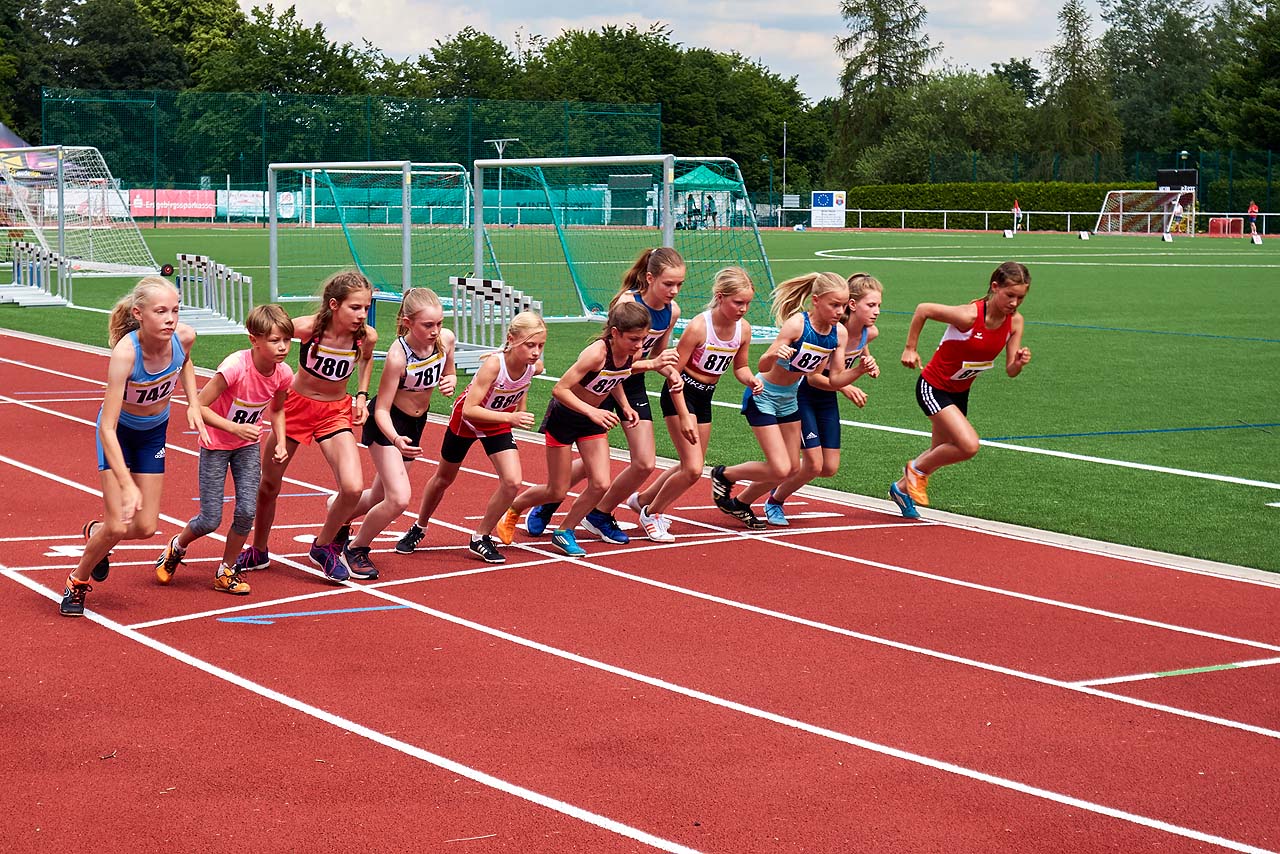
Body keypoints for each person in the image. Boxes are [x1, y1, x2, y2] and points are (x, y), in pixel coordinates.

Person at [61, 277, 208, 617]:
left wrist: (192, 402)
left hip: (153, 433)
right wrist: (126, 484)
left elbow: (184, 361)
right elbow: (107, 427)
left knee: (145, 528)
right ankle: (77, 582)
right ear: (139, 314)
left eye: (175, 310)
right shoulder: (126, 354)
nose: (170, 319)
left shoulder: (184, 337)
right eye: (161, 312)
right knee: (117, 525)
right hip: (119, 433)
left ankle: (95, 531)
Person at [525, 248, 682, 545]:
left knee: (645, 463)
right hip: (603, 380)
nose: (673, 291)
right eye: (668, 284)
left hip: (631, 384)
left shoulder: (671, 312)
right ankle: (551, 499)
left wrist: (670, 372)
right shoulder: (626, 303)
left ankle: (599, 513)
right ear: (649, 279)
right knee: (590, 462)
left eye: (679, 285)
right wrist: (649, 363)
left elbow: (658, 354)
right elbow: (612, 355)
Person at [239, 270, 377, 582]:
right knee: (268, 485)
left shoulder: (365, 337)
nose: (362, 315)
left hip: (334, 413)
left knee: (353, 487)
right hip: (296, 408)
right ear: (334, 305)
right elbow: (266, 338)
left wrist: (361, 394)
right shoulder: (306, 328)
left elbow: (367, 360)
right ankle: (258, 550)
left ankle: (323, 546)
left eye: (366, 307)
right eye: (355, 307)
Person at [154, 304, 294, 595]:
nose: (282, 347)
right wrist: (234, 428)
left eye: (286, 340)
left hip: (247, 447)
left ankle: (226, 570)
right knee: (210, 519)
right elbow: (199, 406)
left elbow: (278, 411)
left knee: (246, 512)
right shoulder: (235, 367)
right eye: (274, 340)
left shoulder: (283, 374)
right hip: (216, 446)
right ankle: (177, 547)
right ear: (254, 340)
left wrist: (280, 441)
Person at [711, 272, 862, 529]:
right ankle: (724, 474)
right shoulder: (797, 325)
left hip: (790, 399)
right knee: (780, 467)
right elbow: (762, 364)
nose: (839, 311)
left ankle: (741, 503)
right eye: (833, 305)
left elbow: (833, 380)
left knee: (792, 468)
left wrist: (860, 370)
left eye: (843, 305)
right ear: (816, 301)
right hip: (764, 394)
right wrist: (775, 353)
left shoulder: (839, 334)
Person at [396, 311, 547, 562]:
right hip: (468, 421)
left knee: (512, 481)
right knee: (444, 478)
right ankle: (419, 526)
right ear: (511, 339)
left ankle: (480, 537)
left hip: (496, 423)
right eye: (529, 345)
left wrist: (519, 408)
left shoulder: (534, 366)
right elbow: (470, 409)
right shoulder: (494, 365)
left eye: (540, 346)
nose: (535, 352)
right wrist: (512, 418)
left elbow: (524, 383)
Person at [625, 267, 760, 542]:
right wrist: (684, 414)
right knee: (693, 469)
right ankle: (652, 513)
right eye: (738, 303)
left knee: (689, 463)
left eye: (747, 303)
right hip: (680, 392)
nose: (743, 309)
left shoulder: (743, 329)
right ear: (720, 297)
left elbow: (741, 367)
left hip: (705, 396)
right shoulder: (699, 327)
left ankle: (642, 500)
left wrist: (752, 381)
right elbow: (675, 373)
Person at [505, 300, 651, 556]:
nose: (639, 345)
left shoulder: (631, 353)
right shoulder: (596, 353)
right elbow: (559, 389)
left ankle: (564, 531)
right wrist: (592, 410)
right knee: (556, 489)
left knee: (601, 483)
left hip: (591, 422)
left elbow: (615, 376)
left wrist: (625, 406)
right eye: (634, 339)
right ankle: (516, 506)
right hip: (564, 418)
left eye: (643, 339)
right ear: (615, 333)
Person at [889, 261, 1032, 519]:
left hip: (959, 392)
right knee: (968, 446)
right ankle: (914, 470)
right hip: (933, 386)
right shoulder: (969, 316)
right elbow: (923, 309)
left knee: (939, 451)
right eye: (1010, 295)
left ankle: (901, 489)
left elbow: (1010, 370)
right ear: (995, 287)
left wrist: (1019, 363)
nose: (1014, 303)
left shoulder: (1014, 323)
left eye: (1020, 297)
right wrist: (910, 348)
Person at [336, 288, 455, 578]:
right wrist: (395, 439)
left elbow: (449, 370)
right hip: (388, 426)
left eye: (438, 323)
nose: (435, 330)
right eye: (428, 325)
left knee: (378, 497)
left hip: (415, 425)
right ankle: (356, 548)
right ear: (407, 322)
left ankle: (336, 513)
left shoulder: (446, 340)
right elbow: (381, 410)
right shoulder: (397, 357)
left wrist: (449, 381)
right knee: (399, 499)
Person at [762, 273, 881, 526]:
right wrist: (846, 388)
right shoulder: (832, 330)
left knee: (829, 468)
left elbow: (856, 354)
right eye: (871, 305)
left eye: (878, 305)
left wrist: (866, 363)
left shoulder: (866, 334)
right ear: (853, 305)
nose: (877, 311)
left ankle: (787, 470)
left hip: (827, 398)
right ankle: (775, 499)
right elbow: (813, 376)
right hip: (805, 393)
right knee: (814, 465)